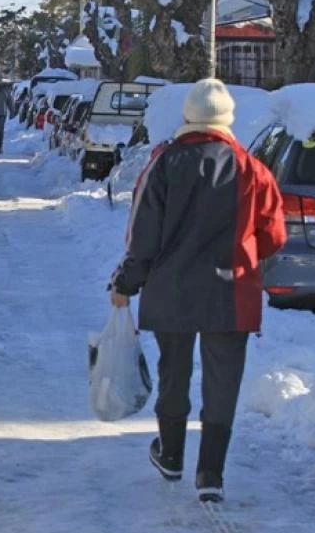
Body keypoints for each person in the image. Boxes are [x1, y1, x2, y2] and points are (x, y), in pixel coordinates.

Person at [108, 78, 286, 504]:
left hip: (172, 291)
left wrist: (125, 283)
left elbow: (142, 238)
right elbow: (274, 235)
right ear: (228, 119)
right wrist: (245, 256)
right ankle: (211, 474)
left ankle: (170, 454)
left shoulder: (164, 163)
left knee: (175, 372)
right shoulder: (252, 170)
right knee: (222, 384)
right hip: (231, 294)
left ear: (188, 115)